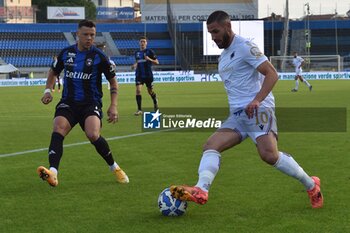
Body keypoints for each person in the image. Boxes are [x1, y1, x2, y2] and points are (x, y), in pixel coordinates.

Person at [170, 10, 323, 209]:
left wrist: (257, 100)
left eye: (215, 32)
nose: (213, 37)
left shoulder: (245, 46)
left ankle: (312, 185)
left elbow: (272, 74)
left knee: (269, 155)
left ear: (227, 27)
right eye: (210, 33)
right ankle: (201, 189)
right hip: (238, 116)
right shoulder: (224, 57)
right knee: (211, 145)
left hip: (258, 110)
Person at [37, 20, 129, 187]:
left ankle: (114, 167)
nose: (89, 38)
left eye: (92, 35)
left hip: (90, 103)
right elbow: (53, 72)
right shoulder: (66, 53)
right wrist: (48, 91)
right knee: (58, 127)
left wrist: (113, 105)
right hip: (69, 103)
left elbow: (113, 82)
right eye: (85, 34)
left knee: (93, 134)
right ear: (77, 34)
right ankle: (53, 173)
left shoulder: (99, 56)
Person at [131, 36, 159, 116]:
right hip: (139, 75)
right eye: (141, 41)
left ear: (146, 43)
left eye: (144, 41)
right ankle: (139, 110)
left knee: (150, 91)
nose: (142, 43)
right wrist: (134, 65)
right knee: (138, 90)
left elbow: (157, 62)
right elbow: (138, 61)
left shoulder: (150, 51)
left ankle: (155, 99)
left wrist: (149, 59)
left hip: (148, 75)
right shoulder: (137, 53)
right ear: (139, 43)